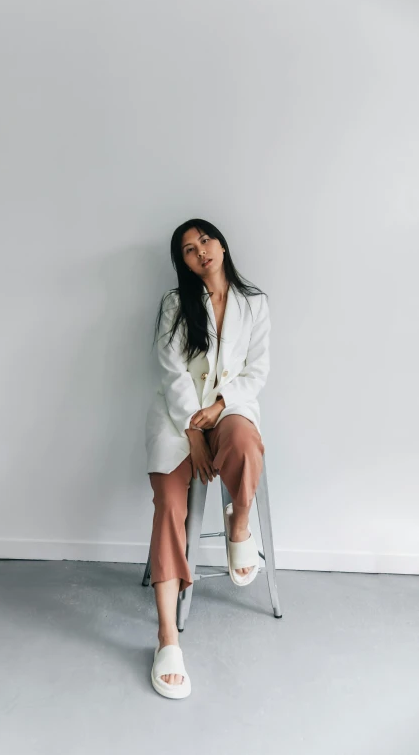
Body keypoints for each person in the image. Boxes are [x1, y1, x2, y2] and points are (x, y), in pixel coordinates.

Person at [145, 218, 271, 699]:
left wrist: (218, 409)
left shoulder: (254, 304)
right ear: (183, 262)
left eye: (206, 240)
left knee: (242, 441)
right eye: (189, 249)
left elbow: (256, 371)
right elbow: (170, 370)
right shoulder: (175, 305)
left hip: (229, 408)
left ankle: (238, 525)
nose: (201, 252)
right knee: (170, 507)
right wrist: (192, 429)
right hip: (178, 421)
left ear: (221, 243)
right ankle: (167, 640)